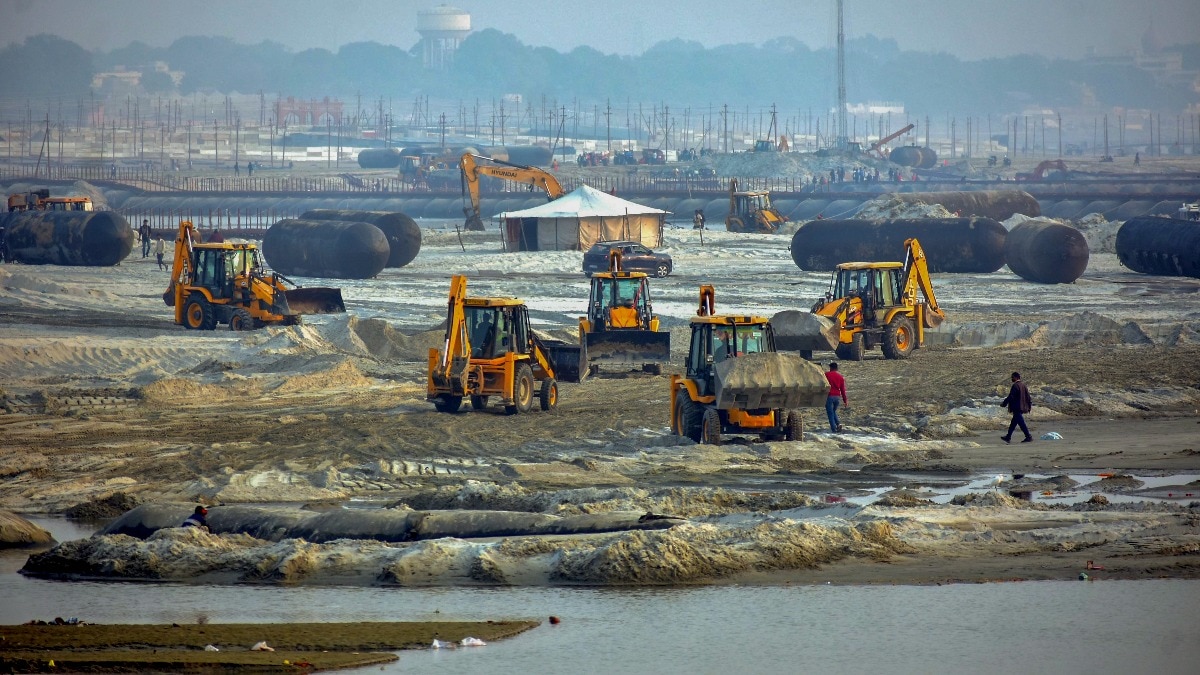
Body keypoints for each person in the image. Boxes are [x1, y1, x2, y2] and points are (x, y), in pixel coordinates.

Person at [999, 371, 1033, 443]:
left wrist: (1004, 403)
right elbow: (1028, 397)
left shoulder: (1015, 386)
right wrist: (1029, 406)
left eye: (1012, 377)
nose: (1011, 378)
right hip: (1022, 407)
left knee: (1021, 423)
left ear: (1016, 377)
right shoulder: (1023, 385)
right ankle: (1008, 437)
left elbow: (1011, 396)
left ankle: (1028, 436)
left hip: (1017, 407)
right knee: (1013, 423)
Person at [824, 362, 848, 433]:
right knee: (833, 411)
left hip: (829, 396)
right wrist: (845, 400)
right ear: (837, 368)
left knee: (830, 413)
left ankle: (834, 429)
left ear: (830, 368)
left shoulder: (826, 375)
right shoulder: (840, 377)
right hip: (837, 397)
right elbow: (843, 390)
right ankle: (838, 424)